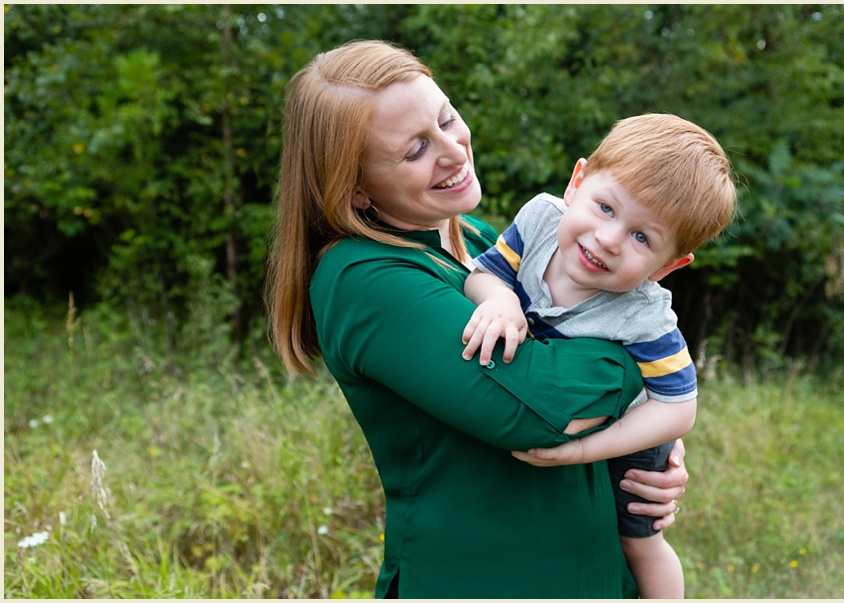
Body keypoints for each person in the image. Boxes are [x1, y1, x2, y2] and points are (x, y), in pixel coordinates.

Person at [266, 40, 689, 599]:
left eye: (446, 119)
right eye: (416, 148)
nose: (453, 149)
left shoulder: (486, 245)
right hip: (485, 577)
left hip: (591, 572)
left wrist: (648, 446)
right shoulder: (362, 276)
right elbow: (540, 411)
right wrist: (648, 375)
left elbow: (592, 384)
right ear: (357, 189)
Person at [461, 113, 736, 598]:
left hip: (628, 436)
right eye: (606, 207)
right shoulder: (542, 220)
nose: (608, 239)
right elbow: (483, 273)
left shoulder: (644, 314)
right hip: (561, 409)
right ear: (577, 182)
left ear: (668, 266)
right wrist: (500, 299)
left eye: (642, 238)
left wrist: (586, 450)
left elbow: (678, 406)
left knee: (640, 541)